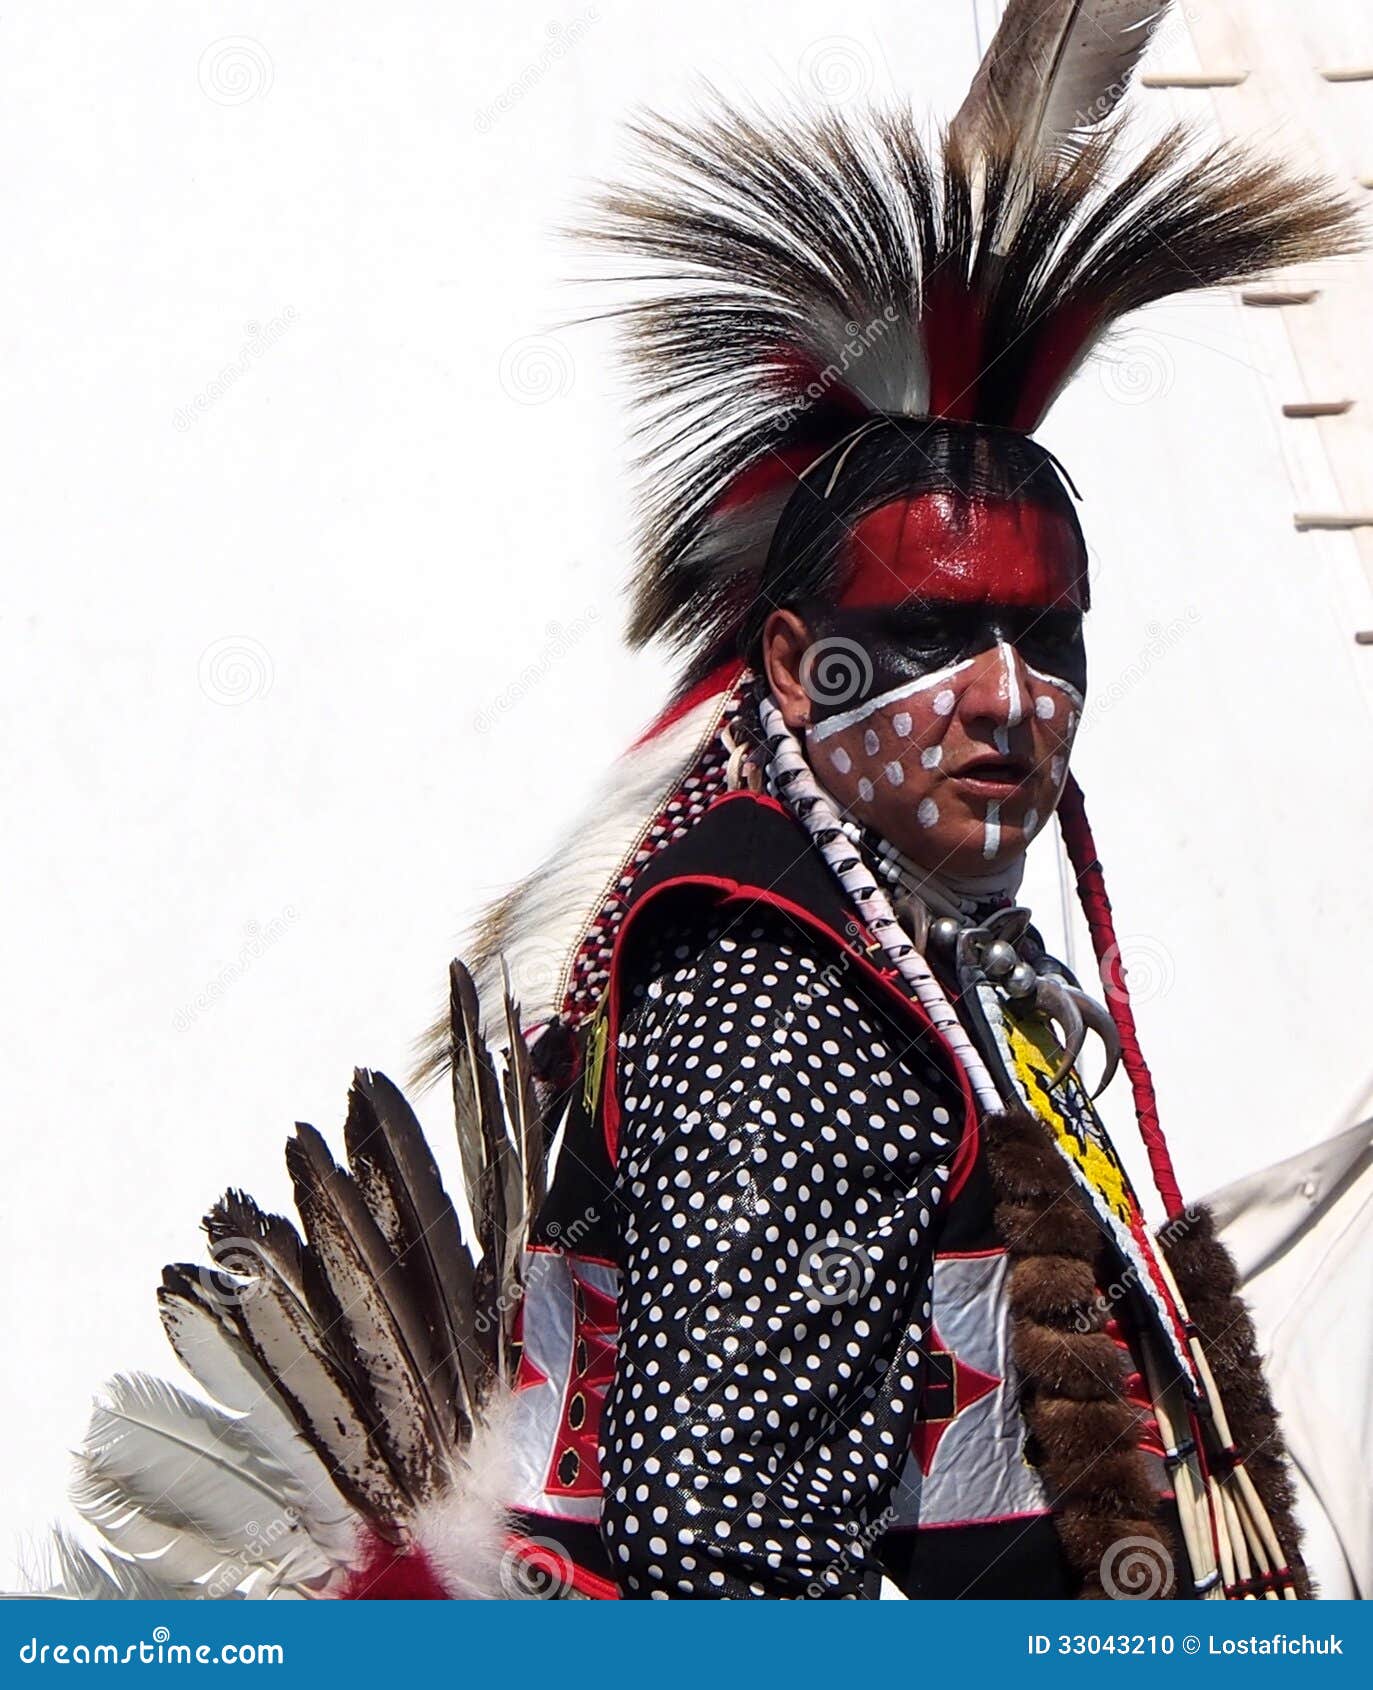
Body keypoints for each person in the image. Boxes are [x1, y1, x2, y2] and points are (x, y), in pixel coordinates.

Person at [32, 0, 1359, 1602]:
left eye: (1046, 637)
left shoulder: (917, 956)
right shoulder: (785, 1001)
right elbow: (722, 1563)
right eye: (933, 635)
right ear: (795, 667)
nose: (1008, 698)